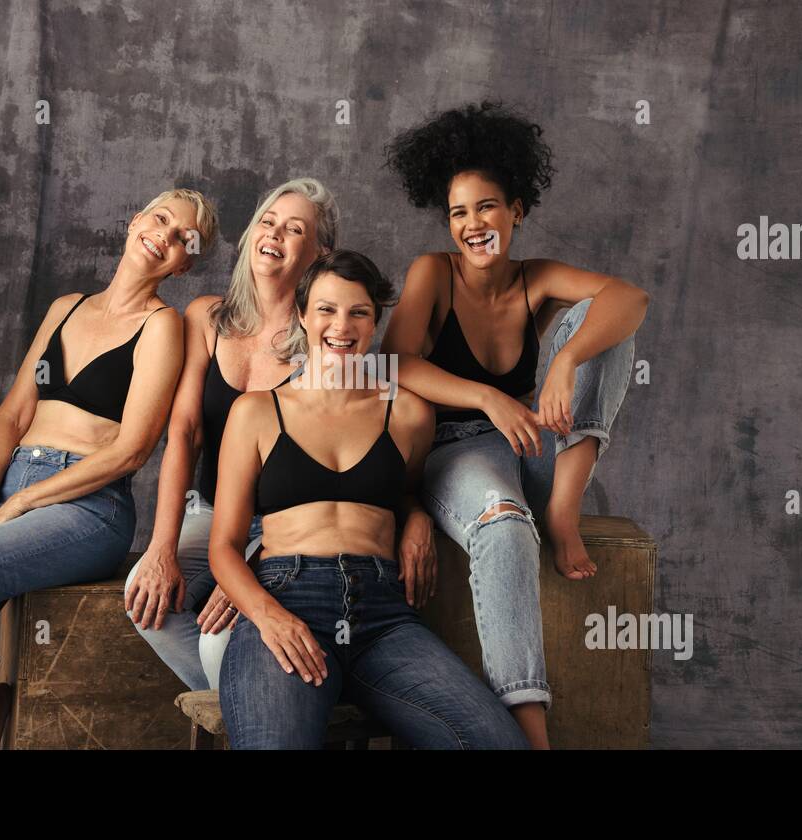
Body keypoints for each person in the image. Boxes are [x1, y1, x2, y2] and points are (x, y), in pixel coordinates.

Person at [0, 188, 217, 749]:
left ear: (185, 263)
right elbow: (14, 414)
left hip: (87, 508)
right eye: (161, 218)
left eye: (185, 238)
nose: (166, 235)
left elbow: (131, 450)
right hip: (15, 487)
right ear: (135, 220)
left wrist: (20, 504)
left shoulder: (163, 326)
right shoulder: (65, 307)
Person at [381, 101, 649, 748]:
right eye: (458, 212)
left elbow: (631, 298)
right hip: (457, 455)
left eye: (488, 207)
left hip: (532, 447)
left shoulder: (538, 280)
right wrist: (488, 398)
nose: (473, 224)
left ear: (517, 211)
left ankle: (562, 511)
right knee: (502, 523)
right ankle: (531, 729)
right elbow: (393, 364)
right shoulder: (433, 274)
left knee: (610, 328)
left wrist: (567, 361)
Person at [212, 249, 529, 749]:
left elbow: (401, 491)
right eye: (326, 309)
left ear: (375, 320)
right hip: (289, 596)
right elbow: (225, 546)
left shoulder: (406, 413)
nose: (342, 325)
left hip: (383, 612)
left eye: (359, 312)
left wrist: (418, 515)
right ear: (301, 315)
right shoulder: (256, 412)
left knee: (496, 743)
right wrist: (267, 615)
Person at [123, 179, 341, 691]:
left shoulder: (323, 343)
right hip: (211, 513)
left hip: (283, 528)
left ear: (318, 253)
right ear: (250, 235)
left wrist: (247, 567)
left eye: (295, 230)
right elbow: (183, 432)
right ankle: (251, 712)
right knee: (144, 599)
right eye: (268, 222)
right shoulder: (205, 316)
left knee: (219, 639)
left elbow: (327, 469)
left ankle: (265, 714)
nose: (275, 235)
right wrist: (161, 547)